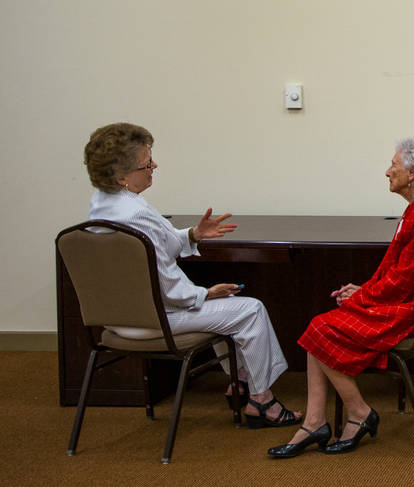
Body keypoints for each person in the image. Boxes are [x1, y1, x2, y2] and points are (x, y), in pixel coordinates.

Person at [83, 122, 301, 428]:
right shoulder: (135, 213)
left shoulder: (101, 206)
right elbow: (164, 280)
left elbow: (159, 246)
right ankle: (261, 402)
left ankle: (238, 383)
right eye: (147, 163)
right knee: (250, 310)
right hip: (154, 321)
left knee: (227, 312)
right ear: (121, 176)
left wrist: (194, 234)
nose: (154, 165)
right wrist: (204, 294)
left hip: (116, 321)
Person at [268, 137, 414, 458]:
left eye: (393, 165)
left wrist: (361, 296)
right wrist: (364, 290)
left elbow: (401, 284)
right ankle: (315, 422)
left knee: (319, 328)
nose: (387, 171)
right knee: (319, 329)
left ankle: (358, 412)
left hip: (411, 311)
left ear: (412, 173)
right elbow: (399, 274)